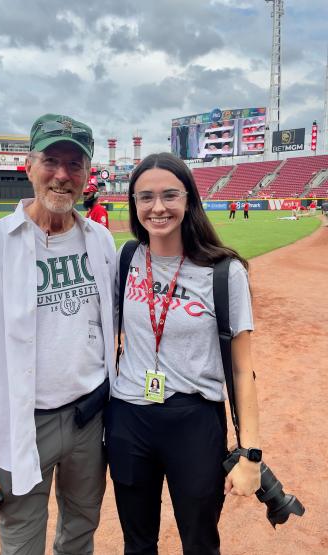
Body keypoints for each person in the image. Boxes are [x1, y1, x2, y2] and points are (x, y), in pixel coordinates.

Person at [0, 113, 117, 555]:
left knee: (81, 529)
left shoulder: (100, 241)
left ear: (87, 174)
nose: (62, 175)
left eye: (75, 165)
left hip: (90, 419)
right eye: (51, 160)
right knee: (20, 541)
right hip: (23, 422)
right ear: (29, 166)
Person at [105, 152, 260, 554]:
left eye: (170, 195)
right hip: (128, 418)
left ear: (189, 199)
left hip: (194, 421)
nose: (158, 208)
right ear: (134, 204)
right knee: (137, 543)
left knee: (200, 542)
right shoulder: (127, 259)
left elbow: (243, 371)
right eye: (145, 197)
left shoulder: (224, 272)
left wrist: (251, 454)